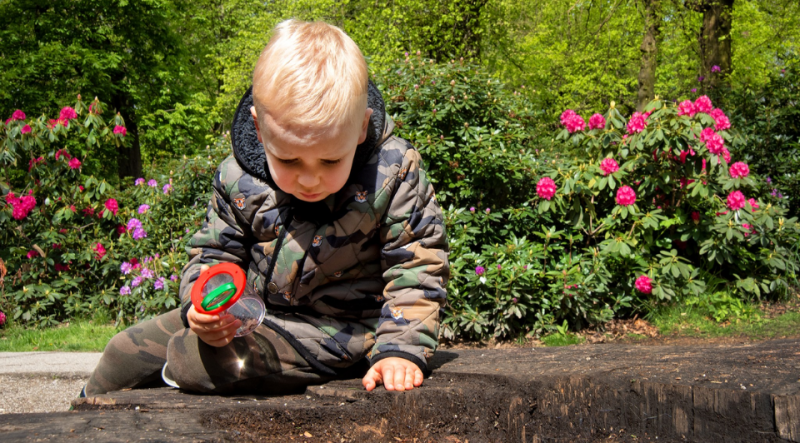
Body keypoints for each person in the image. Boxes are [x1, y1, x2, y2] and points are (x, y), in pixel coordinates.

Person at [82, 19, 449, 396]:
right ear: (260, 130)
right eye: (289, 162)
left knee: (192, 361)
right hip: (247, 314)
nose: (309, 179)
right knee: (121, 353)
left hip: (338, 329)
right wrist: (205, 308)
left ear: (360, 129)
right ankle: (78, 421)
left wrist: (399, 350)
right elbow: (212, 254)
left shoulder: (392, 172)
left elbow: (417, 265)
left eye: (329, 162)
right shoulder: (239, 177)